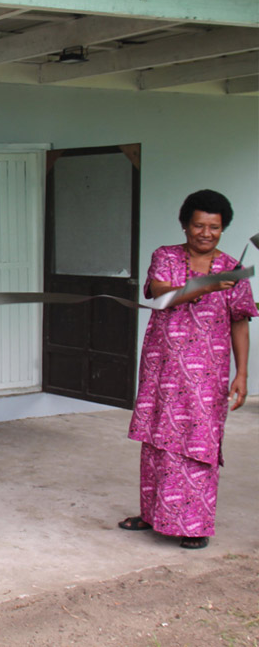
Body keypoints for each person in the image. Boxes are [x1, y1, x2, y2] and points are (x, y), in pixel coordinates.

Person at [119, 189, 255, 550]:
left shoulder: (234, 270)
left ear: (222, 229)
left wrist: (242, 374)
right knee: (157, 442)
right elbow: (161, 294)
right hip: (161, 369)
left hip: (206, 376)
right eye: (198, 225)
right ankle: (153, 514)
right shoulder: (165, 257)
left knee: (198, 444)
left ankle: (193, 526)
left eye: (214, 227)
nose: (206, 233)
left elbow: (240, 322)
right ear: (185, 226)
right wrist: (206, 285)